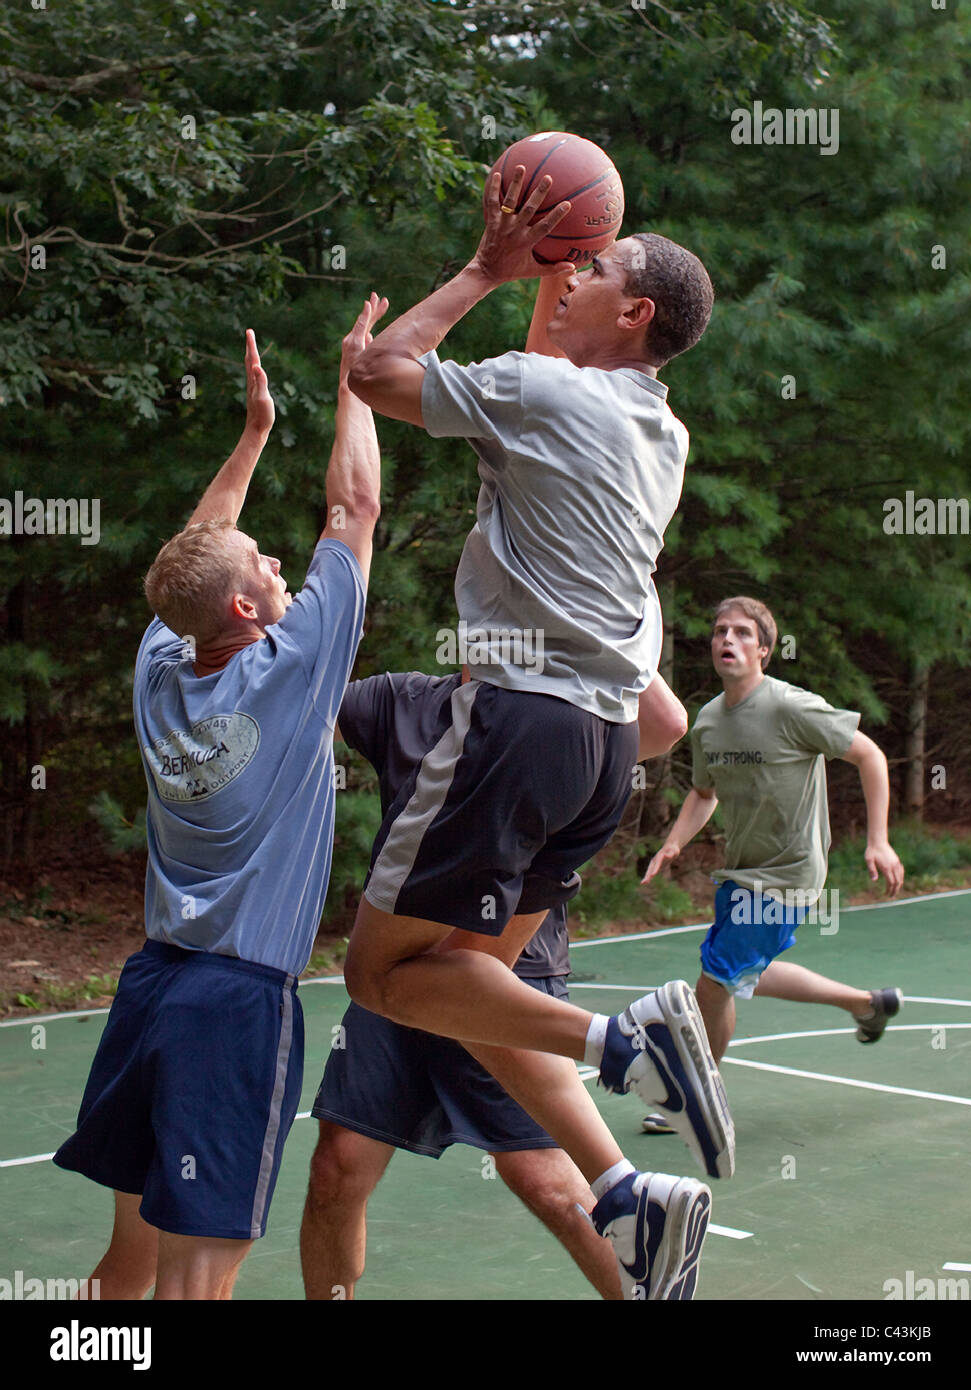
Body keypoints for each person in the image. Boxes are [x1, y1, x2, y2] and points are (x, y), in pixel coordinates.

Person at [342, 168, 730, 1300]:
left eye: (595, 267)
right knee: (467, 992)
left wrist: (484, 269)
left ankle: (631, 1043)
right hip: (603, 753)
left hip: (515, 722)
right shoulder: (660, 428)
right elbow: (548, 371)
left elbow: (373, 374)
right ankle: (627, 1198)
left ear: (637, 312)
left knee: (381, 976)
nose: (575, 274)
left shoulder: (548, 397)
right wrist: (547, 281)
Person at [53, 298, 387, 1300]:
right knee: (200, 1281)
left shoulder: (164, 661)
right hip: (235, 1002)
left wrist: (252, 435)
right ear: (245, 607)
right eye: (265, 566)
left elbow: (194, 553)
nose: (281, 563)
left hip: (150, 988)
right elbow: (353, 511)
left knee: (129, 1267)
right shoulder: (291, 673)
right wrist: (353, 382)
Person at [301, 668, 688, 1301]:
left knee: (550, 1186)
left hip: (504, 969)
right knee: (336, 1171)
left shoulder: (563, 708)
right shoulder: (403, 699)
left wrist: (620, 604)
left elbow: (668, 724)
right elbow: (306, 683)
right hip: (402, 965)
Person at [642, 596, 905, 1128]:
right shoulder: (709, 722)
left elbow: (870, 755)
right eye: (720, 631)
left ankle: (698, 1100)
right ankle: (865, 1004)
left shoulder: (791, 707)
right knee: (744, 974)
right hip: (742, 871)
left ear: (764, 649)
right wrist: (674, 841)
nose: (727, 640)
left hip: (789, 872)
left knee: (714, 982)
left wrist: (878, 839)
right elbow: (703, 793)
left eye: (741, 633)